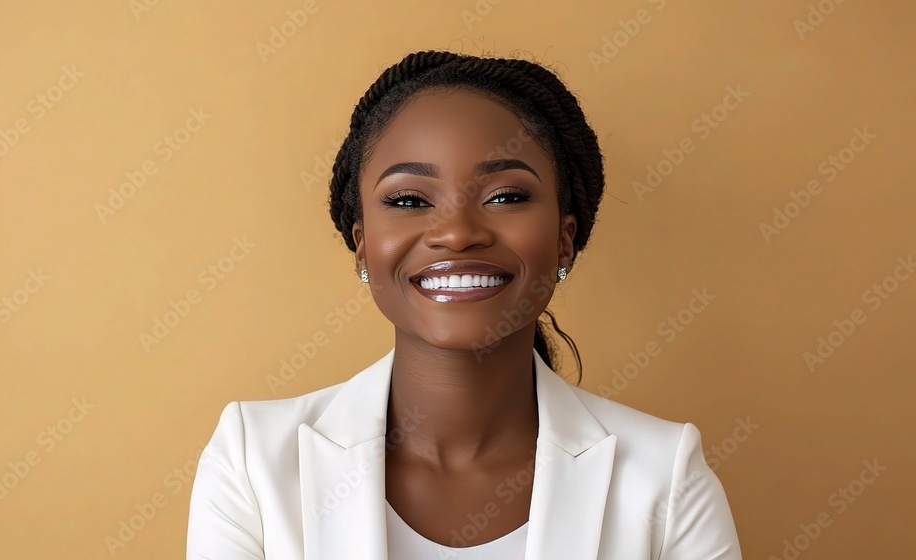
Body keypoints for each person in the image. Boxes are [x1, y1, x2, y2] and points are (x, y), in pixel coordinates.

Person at [186, 50, 742, 559]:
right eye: (409, 200)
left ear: (564, 240)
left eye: (506, 196)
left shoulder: (666, 476)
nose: (456, 233)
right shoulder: (252, 463)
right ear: (362, 246)